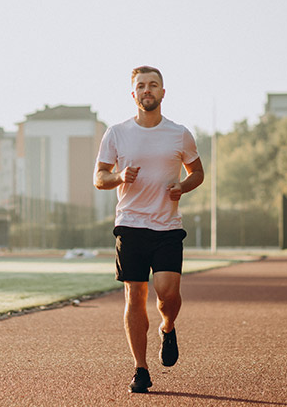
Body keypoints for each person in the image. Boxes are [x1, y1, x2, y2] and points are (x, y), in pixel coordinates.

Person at [93, 65, 204, 394]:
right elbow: (99, 178)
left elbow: (197, 172)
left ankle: (168, 327)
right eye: (141, 86)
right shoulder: (117, 133)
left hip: (168, 226)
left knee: (168, 293)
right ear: (133, 94)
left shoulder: (179, 133)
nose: (147, 90)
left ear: (163, 92)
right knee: (135, 296)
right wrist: (119, 177)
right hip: (131, 224)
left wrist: (182, 187)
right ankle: (140, 369)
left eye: (153, 85)